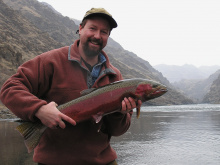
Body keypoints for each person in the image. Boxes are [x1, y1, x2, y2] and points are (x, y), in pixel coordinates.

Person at [0, 8, 142, 165]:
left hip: (103, 161)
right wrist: (39, 110)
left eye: (104, 32)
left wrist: (119, 113)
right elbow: (10, 88)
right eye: (92, 28)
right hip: (54, 161)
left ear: (108, 37)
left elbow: (117, 131)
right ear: (80, 29)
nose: (97, 36)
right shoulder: (50, 61)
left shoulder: (115, 76)